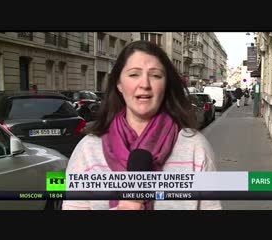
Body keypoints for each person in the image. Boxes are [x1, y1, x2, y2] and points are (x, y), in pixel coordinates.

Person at [61, 40, 222, 210]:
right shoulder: (88, 148)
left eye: (155, 75)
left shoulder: (195, 147)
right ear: (119, 84)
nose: (144, 84)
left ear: (166, 85)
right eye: (134, 74)